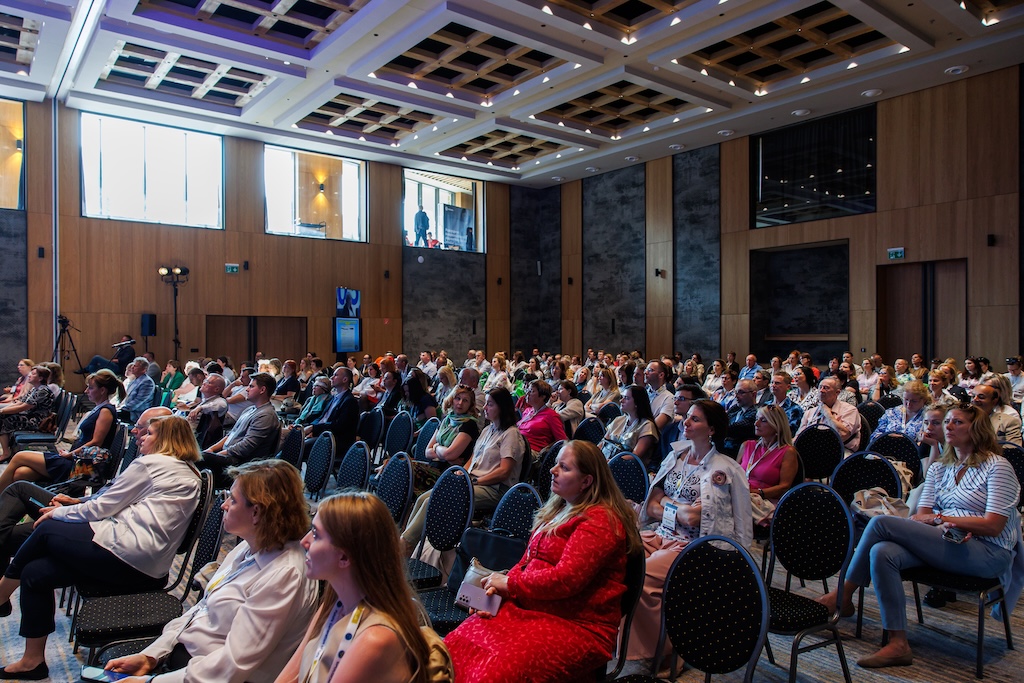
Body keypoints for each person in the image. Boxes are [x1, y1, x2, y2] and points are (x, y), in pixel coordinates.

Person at [819, 404, 1021, 669]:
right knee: (882, 552)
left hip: (988, 551)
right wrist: (941, 523)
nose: (948, 426)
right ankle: (898, 644)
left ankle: (843, 594)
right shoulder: (941, 467)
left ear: (977, 429)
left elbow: (993, 525)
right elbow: (922, 514)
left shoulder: (997, 467)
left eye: (957, 422)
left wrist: (942, 519)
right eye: (947, 421)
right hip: (946, 539)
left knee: (880, 523)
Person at [0, 415, 202, 680]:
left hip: (128, 557)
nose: (141, 437)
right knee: (35, 573)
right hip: (143, 563)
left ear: (166, 439)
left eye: (149, 433)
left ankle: (1, 593)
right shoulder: (186, 470)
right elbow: (116, 504)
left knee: (47, 529)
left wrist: (59, 513)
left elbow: (103, 508)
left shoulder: (153, 464)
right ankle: (32, 662)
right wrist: (71, 509)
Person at [103, 459, 318, 682]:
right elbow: (201, 610)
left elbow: (232, 664)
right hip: (190, 662)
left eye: (233, 500)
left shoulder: (284, 574)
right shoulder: (249, 546)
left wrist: (151, 681)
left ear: (256, 512)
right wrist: (151, 655)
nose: (224, 505)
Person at [444, 440, 642, 683]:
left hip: (577, 624)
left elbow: (565, 580)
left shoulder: (601, 521)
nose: (552, 470)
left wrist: (510, 585)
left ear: (586, 481)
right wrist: (499, 592)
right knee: (456, 644)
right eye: (556, 464)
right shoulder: (559, 509)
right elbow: (526, 563)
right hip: (532, 607)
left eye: (564, 467)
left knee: (496, 672)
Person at [626, 399, 752, 671]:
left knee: (642, 576)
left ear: (712, 429)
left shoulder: (726, 469)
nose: (686, 422)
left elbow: (696, 519)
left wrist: (666, 504)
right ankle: (621, 638)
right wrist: (678, 508)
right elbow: (652, 506)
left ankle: (671, 648)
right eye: (688, 417)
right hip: (659, 534)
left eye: (695, 419)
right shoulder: (676, 457)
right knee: (618, 558)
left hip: (692, 545)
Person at [275, 492, 447, 683]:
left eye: (316, 534)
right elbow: (293, 674)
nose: (304, 541)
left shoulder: (375, 639)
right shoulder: (334, 603)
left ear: (344, 557)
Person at [401, 388, 525, 551]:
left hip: (494, 489)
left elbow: (504, 471)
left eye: (490, 404)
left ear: (502, 407)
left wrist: (475, 481)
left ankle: (404, 545)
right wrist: (463, 474)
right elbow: (473, 459)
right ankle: (409, 544)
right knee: (423, 499)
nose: (485, 407)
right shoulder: (488, 430)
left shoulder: (511, 434)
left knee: (435, 500)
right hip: (474, 481)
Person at [0, 370, 121, 490]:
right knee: (21, 473)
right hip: (74, 458)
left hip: (78, 464)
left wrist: (70, 454)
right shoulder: (100, 409)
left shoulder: (105, 412)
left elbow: (96, 442)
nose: (86, 391)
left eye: (90, 388)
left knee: (20, 456)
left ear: (102, 390)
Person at [202, 372, 281, 485]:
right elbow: (231, 434)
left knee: (197, 459)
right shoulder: (250, 409)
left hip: (242, 463)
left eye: (251, 386)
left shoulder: (266, 415)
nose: (247, 389)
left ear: (262, 390)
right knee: (199, 455)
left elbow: (246, 447)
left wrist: (217, 455)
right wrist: (211, 450)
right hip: (230, 456)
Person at [738, 404, 800, 504]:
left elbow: (784, 487)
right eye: (756, 419)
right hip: (741, 495)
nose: (756, 423)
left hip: (765, 501)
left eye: (763, 420)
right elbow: (733, 473)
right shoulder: (746, 445)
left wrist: (757, 492)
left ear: (776, 426)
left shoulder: (787, 452)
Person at [0, 366, 54, 462]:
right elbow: (19, 403)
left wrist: (2, 411)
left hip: (38, 421)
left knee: (4, 419)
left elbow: (23, 407)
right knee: (3, 415)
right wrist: (3, 410)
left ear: (40, 378)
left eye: (33, 374)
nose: (29, 375)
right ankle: (8, 451)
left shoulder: (43, 391)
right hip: (30, 417)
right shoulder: (35, 389)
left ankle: (6, 453)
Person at [796, 376, 862, 453]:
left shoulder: (850, 410)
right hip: (811, 450)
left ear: (837, 392)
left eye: (826, 388)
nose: (821, 390)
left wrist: (828, 415)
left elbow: (842, 435)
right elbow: (799, 437)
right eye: (820, 387)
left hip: (841, 450)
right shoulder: (810, 412)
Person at [599, 384, 658, 468]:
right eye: (622, 397)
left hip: (626, 468)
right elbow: (603, 443)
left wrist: (610, 462)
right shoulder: (618, 420)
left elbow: (635, 455)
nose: (621, 400)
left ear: (637, 403)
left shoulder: (647, 426)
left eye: (626, 398)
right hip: (606, 462)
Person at [517, 380, 567, 456]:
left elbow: (562, 441)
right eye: (528, 390)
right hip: (518, 445)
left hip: (532, 452)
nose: (527, 393)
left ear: (543, 396)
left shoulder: (551, 415)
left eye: (532, 391)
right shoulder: (527, 411)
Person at [973, 375, 1023, 446]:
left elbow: (1013, 448)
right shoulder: (970, 412)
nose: (985, 389)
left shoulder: (1010, 414)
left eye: (990, 387)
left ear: (1002, 390)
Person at [121, 357, 156, 424]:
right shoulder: (134, 380)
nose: (132, 367)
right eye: (133, 365)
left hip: (137, 414)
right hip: (128, 410)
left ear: (143, 369)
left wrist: (123, 408)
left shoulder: (147, 382)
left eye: (135, 366)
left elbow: (138, 401)